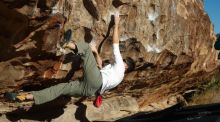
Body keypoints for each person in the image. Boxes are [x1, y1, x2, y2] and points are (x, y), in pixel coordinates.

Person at [5, 13, 135, 107]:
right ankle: (24, 97)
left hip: (95, 81)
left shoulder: (120, 68)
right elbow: (100, 67)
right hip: (90, 89)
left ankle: (66, 44)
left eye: (124, 61)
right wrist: (95, 52)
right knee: (61, 88)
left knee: (84, 47)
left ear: (126, 66)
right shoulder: (117, 77)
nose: (122, 60)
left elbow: (115, 43)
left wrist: (116, 24)